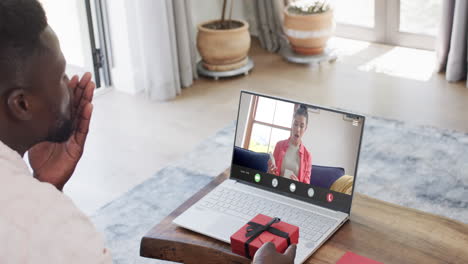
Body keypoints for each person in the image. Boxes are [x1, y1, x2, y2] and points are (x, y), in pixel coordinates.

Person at [0, 0, 296, 263]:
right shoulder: (51, 229)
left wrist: (47, 187)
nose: (70, 83)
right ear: (22, 104)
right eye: (60, 74)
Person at [268, 105, 312, 184]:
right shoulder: (279, 145)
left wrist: (298, 185)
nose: (297, 129)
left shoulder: (307, 156)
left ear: (305, 128)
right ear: (292, 124)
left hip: (293, 193)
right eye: (295, 124)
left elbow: (306, 187)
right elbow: (271, 176)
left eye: (301, 126)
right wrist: (270, 172)